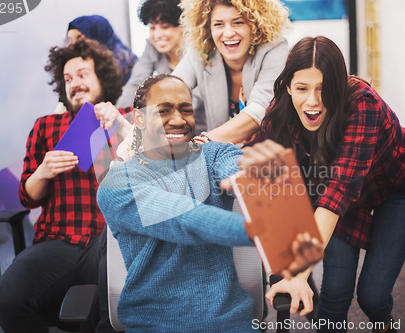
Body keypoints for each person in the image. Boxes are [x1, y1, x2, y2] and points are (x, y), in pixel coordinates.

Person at [96, 74, 324, 332]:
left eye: (186, 110)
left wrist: (258, 183)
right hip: (156, 325)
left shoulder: (214, 154)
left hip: (231, 322)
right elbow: (185, 219)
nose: (179, 120)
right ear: (139, 119)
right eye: (164, 110)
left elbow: (237, 169)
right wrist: (262, 229)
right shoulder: (117, 183)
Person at [247, 36, 405, 332]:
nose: (312, 101)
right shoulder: (281, 107)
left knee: (373, 297)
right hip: (343, 199)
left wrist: (297, 274)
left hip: (394, 188)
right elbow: (255, 150)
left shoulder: (363, 102)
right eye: (302, 88)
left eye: (323, 89)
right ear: (288, 87)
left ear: (338, 86)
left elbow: (339, 191)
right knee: (334, 297)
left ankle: (385, 325)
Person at [0, 38, 132, 333]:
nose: (75, 84)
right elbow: (27, 198)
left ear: (101, 79)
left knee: (119, 302)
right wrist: (42, 172)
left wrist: (120, 124)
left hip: (109, 243)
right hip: (58, 241)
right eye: (68, 79)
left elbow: (155, 171)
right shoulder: (45, 125)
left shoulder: (127, 117)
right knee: (7, 298)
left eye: (83, 75)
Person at [173, 0, 291, 143]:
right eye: (218, 24)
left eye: (238, 22)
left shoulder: (275, 48)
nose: (228, 33)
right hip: (220, 157)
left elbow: (260, 109)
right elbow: (170, 89)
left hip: (267, 155)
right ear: (208, 28)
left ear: (255, 26)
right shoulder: (199, 52)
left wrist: (203, 142)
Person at [117, 0, 185, 109]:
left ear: (182, 25)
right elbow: (137, 83)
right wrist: (118, 114)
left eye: (165, 27)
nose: (157, 35)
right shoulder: (152, 47)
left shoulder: (195, 49)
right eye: (152, 28)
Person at [67, 15, 138, 85]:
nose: (73, 45)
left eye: (79, 38)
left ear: (97, 35)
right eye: (70, 40)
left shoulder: (126, 64)